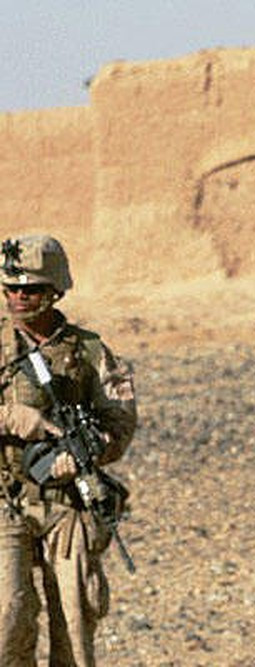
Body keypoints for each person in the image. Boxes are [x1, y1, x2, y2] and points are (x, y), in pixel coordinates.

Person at [0, 234, 137, 667]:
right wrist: (12, 418)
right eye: (11, 289)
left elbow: (120, 420)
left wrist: (89, 452)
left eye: (30, 290)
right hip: (6, 500)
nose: (18, 298)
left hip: (68, 505)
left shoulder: (89, 351)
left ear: (54, 291)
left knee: (75, 628)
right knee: (8, 618)